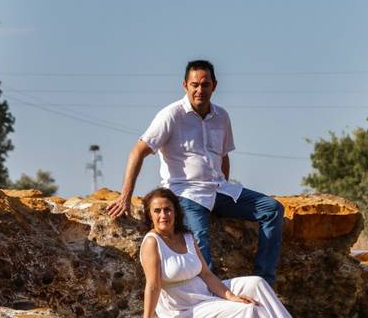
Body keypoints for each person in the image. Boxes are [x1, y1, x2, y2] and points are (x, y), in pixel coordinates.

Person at [107, 59, 284, 285]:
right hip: (186, 193)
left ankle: (264, 283)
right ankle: (209, 302)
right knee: (199, 242)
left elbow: (224, 156)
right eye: (195, 85)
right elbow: (137, 152)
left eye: (205, 84)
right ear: (185, 85)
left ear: (214, 86)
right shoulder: (171, 115)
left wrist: (223, 201)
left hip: (220, 189)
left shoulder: (222, 116)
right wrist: (125, 195)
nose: (200, 90)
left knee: (272, 209)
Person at [125, 187, 330, 318]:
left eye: (167, 209)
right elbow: (152, 285)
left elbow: (205, 274)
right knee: (248, 311)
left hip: (203, 291)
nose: (163, 215)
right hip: (183, 307)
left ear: (175, 211)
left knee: (257, 283)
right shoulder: (152, 243)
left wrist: (230, 296)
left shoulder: (186, 236)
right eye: (157, 211)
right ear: (149, 215)